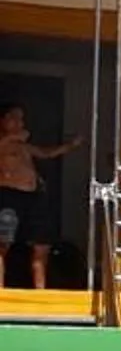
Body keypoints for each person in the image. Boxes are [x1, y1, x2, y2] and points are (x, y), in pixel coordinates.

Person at [0, 104, 80, 290]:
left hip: (33, 198)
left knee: (41, 246)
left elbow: (46, 153)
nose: (20, 122)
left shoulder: (24, 146)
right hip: (8, 196)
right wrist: (11, 137)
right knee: (2, 244)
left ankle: (40, 292)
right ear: (2, 121)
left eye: (21, 119)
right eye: (14, 117)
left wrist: (71, 145)